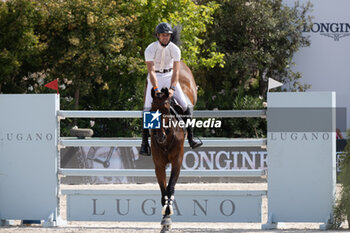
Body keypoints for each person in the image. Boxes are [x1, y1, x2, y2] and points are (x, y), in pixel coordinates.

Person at [139, 22, 202, 156]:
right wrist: (155, 88)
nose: (165, 37)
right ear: (158, 36)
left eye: (168, 35)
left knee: (186, 105)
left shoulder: (175, 49)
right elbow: (151, 72)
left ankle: (191, 138)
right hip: (154, 76)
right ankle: (144, 144)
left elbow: (176, 72)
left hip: (169, 76)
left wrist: (172, 88)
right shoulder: (150, 49)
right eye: (163, 35)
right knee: (147, 109)